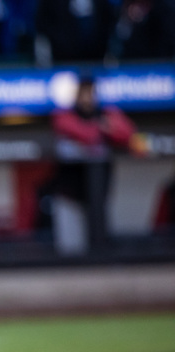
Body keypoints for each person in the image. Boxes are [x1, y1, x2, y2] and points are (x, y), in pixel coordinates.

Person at [48, 74, 136, 255]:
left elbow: (128, 135)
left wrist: (107, 127)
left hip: (98, 196)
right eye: (83, 93)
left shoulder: (108, 113)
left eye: (91, 93)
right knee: (71, 252)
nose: (87, 98)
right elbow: (87, 135)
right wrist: (102, 127)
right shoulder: (63, 115)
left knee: (100, 251)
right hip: (69, 195)